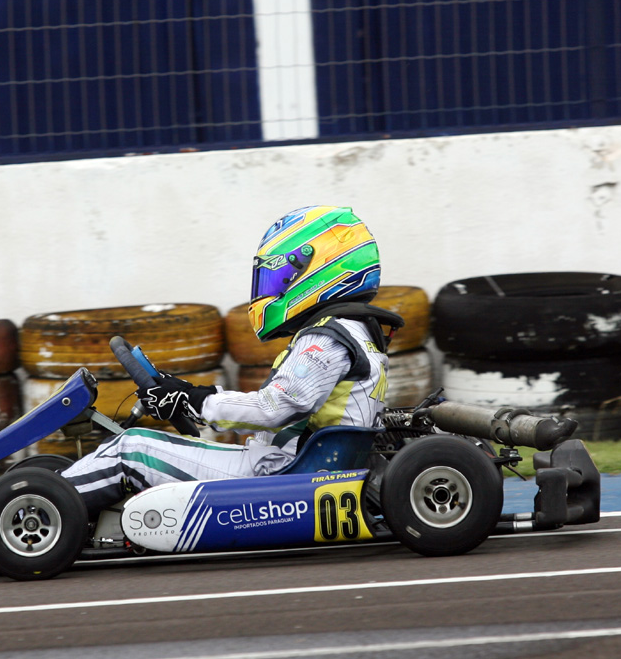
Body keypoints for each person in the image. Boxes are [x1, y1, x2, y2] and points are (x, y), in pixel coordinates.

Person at [58, 205, 404, 519]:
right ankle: (49, 496)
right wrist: (189, 398)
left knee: (129, 449)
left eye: (279, 275)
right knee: (145, 444)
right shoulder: (357, 333)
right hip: (290, 468)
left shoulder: (326, 337)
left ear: (319, 266)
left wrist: (195, 398)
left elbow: (274, 409)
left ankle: (35, 508)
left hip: (280, 478)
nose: (271, 288)